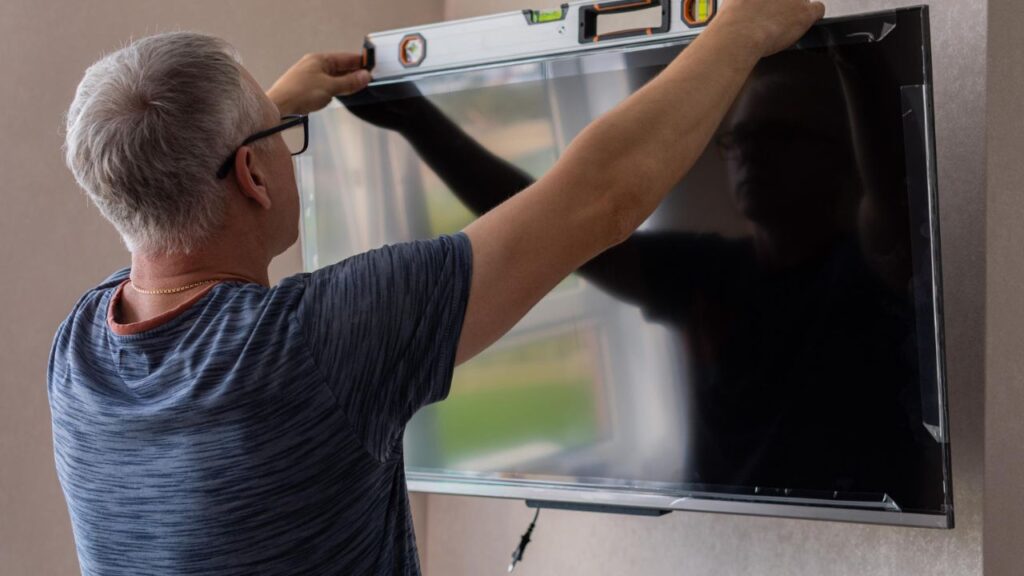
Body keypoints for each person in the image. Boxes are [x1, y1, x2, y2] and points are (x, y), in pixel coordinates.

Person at [50, 1, 823, 574]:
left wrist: (263, 115)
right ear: (251, 173)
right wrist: (743, 28)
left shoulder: (77, 355)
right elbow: (602, 198)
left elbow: (168, 194)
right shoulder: (319, 342)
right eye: (279, 138)